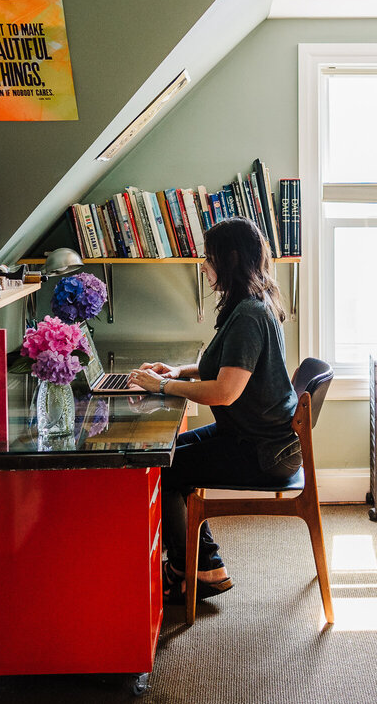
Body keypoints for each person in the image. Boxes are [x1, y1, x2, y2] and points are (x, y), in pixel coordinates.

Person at [128, 216, 299, 602]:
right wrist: (177, 371)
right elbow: (227, 366)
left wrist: (164, 386)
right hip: (258, 437)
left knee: (163, 469)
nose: (205, 267)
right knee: (166, 455)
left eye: (210, 258)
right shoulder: (253, 304)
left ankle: (199, 568)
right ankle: (197, 563)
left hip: (262, 450)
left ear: (231, 259)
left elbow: (225, 392)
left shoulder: (249, 316)